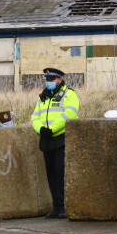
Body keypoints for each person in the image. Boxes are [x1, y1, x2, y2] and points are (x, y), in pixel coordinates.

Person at [31, 67, 79, 219]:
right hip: (47, 139)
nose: (49, 82)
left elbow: (70, 114)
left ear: (59, 80)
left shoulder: (69, 94)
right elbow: (35, 117)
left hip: (61, 139)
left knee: (61, 173)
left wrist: (51, 129)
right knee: (51, 174)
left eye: (51, 80)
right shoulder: (43, 97)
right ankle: (56, 207)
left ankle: (64, 207)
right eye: (47, 80)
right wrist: (41, 130)